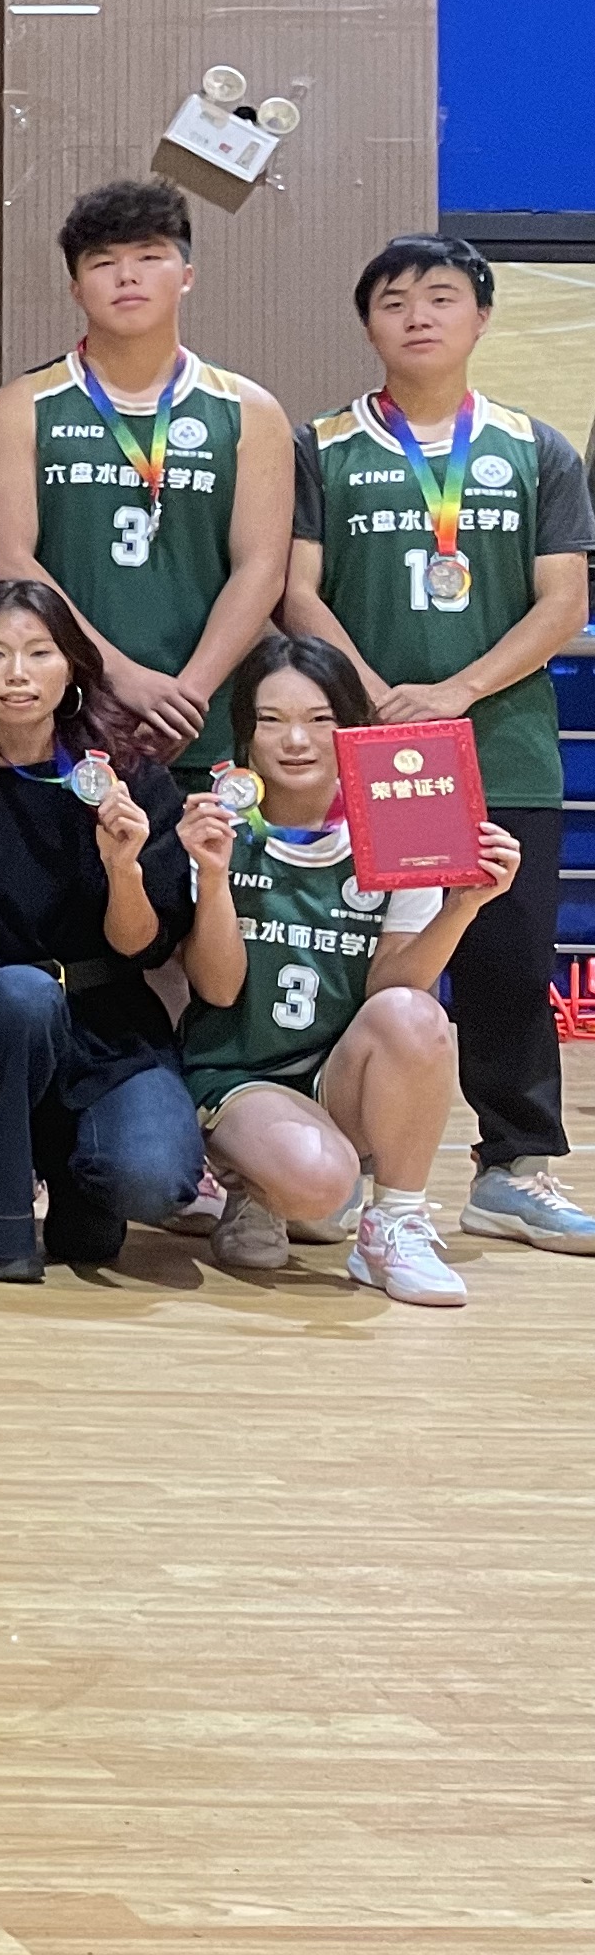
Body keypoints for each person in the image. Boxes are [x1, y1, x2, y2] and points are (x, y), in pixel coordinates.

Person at [283, 232, 595, 1254]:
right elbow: (297, 588)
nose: (418, 315)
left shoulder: (537, 449)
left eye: (442, 297)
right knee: (351, 953)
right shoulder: (322, 446)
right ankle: (336, 1160)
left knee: (508, 957)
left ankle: (514, 1169)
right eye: (394, 301)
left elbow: (563, 602)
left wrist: (455, 693)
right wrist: (373, 699)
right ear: (368, 324)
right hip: (359, 752)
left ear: (481, 316)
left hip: (503, 747)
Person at [178, 633, 513, 1306]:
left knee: (417, 1015)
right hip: (237, 1072)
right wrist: (213, 880)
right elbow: (217, 987)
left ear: (353, 729)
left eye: (319, 719)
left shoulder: (400, 827)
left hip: (337, 1074)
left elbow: (391, 990)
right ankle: (251, 1184)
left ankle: (395, 1224)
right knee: (319, 1186)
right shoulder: (215, 826)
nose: (296, 740)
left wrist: (463, 907)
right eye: (271, 720)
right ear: (245, 735)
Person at [0, 579, 202, 1282]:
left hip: (107, 1021)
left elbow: (142, 946)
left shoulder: (128, 778)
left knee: (148, 1182)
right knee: (24, 997)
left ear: (73, 668)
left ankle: (66, 1164)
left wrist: (122, 867)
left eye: (39, 652)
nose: (18, 674)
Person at [0, 176, 290, 766]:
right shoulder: (19, 407)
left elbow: (262, 569)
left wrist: (188, 695)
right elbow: (9, 562)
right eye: (104, 263)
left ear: (187, 275)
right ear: (76, 288)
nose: (127, 276)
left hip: (206, 716)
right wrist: (120, 677)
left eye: (149, 257)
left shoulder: (252, 410)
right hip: (64, 710)